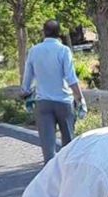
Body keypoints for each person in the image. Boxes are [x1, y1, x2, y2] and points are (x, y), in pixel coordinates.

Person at [21, 19, 87, 163]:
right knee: (68, 145)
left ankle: (51, 180)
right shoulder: (63, 50)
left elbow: (27, 78)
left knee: (48, 150)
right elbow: (71, 78)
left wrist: (26, 93)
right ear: (59, 34)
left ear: (43, 32)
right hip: (64, 102)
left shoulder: (34, 51)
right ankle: (68, 177)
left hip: (43, 102)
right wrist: (80, 99)